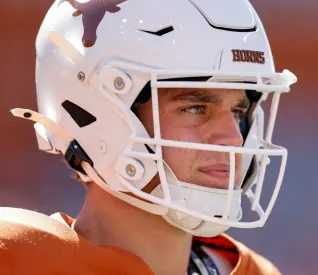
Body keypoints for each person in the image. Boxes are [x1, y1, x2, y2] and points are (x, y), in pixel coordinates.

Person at [0, 0, 297, 274]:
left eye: (237, 112)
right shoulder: (17, 258)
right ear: (97, 112)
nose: (233, 139)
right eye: (195, 108)